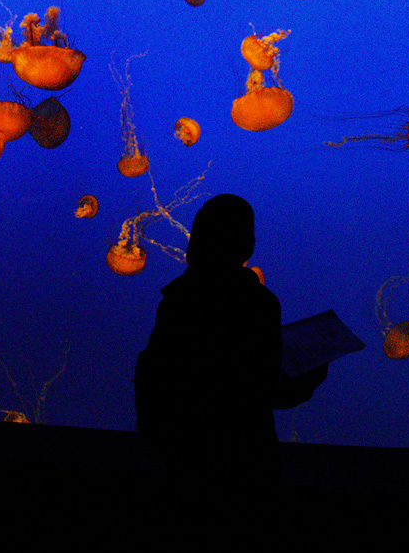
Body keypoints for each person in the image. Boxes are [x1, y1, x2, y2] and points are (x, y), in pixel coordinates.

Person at [134, 193, 327, 539]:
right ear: (247, 244)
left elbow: (156, 375)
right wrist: (311, 377)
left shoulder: (177, 300)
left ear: (197, 239)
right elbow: (264, 391)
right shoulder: (258, 304)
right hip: (244, 462)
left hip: (185, 458)